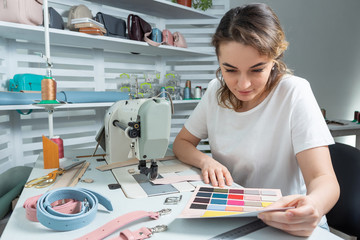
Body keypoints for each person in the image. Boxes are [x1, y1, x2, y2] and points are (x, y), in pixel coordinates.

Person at [173, 3, 340, 237]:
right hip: (235, 216)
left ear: (274, 59)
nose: (243, 85)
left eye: (256, 69)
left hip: (289, 220)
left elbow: (324, 179)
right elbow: (181, 143)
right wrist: (206, 161)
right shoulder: (215, 90)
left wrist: (313, 206)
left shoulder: (294, 92)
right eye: (229, 70)